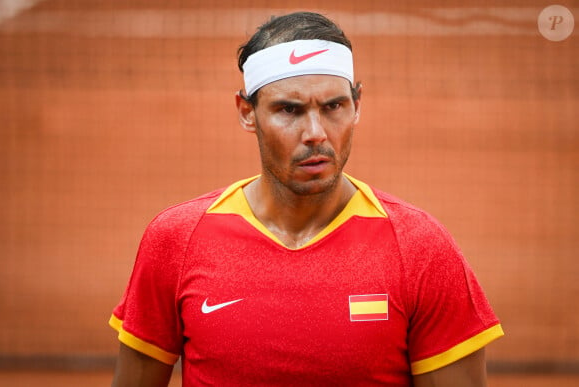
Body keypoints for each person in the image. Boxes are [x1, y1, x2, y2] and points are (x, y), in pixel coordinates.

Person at [109, 11, 504, 387]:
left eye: (334, 106)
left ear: (357, 105)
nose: (315, 132)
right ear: (247, 112)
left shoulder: (421, 249)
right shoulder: (176, 240)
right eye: (289, 109)